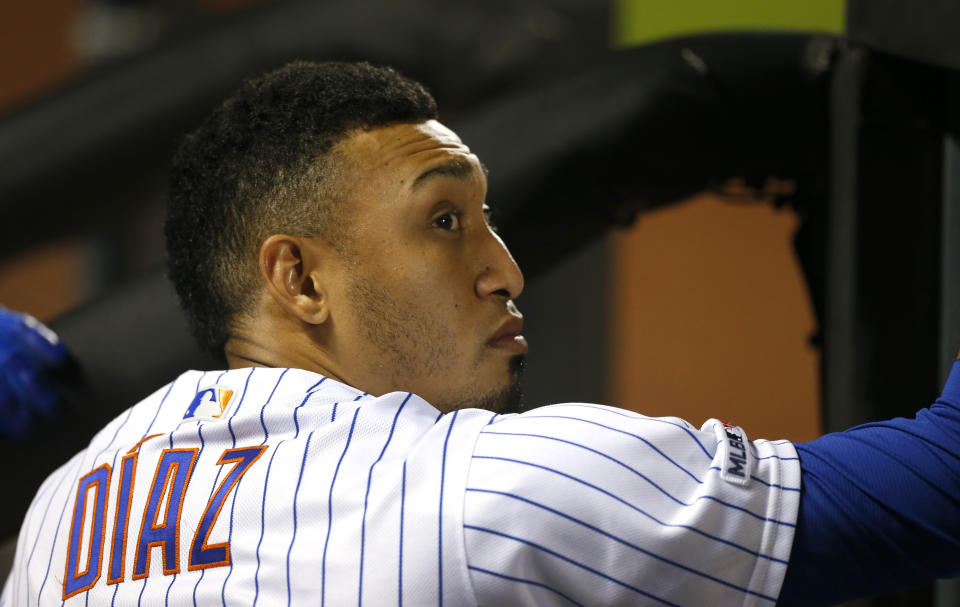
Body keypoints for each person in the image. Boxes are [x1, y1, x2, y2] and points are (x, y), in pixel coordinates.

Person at [2, 60, 959, 607]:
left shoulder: (58, 512)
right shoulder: (480, 487)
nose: (507, 269)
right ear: (298, 277)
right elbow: (947, 481)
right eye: (447, 222)